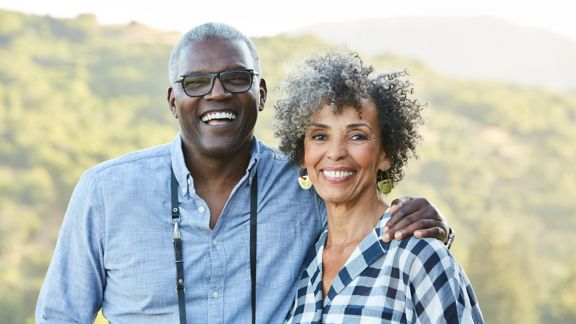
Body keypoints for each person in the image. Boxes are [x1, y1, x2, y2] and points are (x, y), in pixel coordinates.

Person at [36, 23, 452, 324]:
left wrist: (432, 227)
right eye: (195, 82)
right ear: (171, 100)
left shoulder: (304, 185)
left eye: (236, 78)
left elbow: (357, 202)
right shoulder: (105, 193)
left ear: (262, 93)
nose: (217, 93)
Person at [276, 52, 484, 323]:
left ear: (385, 154)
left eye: (357, 136)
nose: (335, 152)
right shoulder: (303, 266)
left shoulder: (418, 257)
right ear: (303, 154)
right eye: (320, 136)